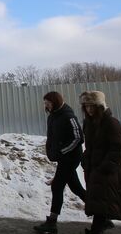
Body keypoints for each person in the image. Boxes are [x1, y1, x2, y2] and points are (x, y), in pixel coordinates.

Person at [79, 91, 121, 234]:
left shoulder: (111, 122)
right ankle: (98, 229)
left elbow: (119, 147)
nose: (89, 109)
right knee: (101, 202)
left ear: (99, 106)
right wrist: (86, 160)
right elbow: (89, 146)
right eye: (86, 106)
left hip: (113, 172)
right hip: (95, 169)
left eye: (92, 106)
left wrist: (106, 167)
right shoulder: (88, 123)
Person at [33, 91, 86, 234]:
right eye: (45, 103)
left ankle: (52, 222)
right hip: (63, 158)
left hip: (71, 157)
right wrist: (51, 150)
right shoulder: (53, 116)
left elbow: (78, 138)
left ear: (55, 102)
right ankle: (101, 215)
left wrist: (62, 151)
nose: (46, 105)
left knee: (57, 186)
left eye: (48, 103)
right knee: (76, 187)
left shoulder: (68, 116)